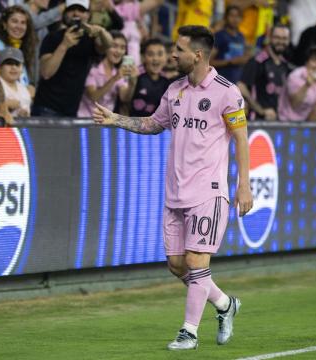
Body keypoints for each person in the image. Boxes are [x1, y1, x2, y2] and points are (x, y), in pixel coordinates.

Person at [92, 25, 253, 351]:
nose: (172, 54)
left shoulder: (227, 91)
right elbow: (153, 124)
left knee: (196, 262)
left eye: (177, 49)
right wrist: (116, 119)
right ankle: (224, 305)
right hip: (175, 193)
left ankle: (188, 333)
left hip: (208, 192)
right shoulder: (174, 89)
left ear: (197, 54)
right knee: (177, 265)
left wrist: (244, 185)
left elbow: (240, 138)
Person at [32, 0, 113, 117]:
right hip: (46, 109)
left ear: (88, 15)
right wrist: (64, 45)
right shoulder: (52, 37)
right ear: (64, 14)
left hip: (71, 112)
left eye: (81, 10)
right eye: (72, 9)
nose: (76, 14)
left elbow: (108, 44)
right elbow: (46, 73)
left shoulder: (90, 40)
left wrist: (101, 30)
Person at [237, 24, 291, 120]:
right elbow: (241, 86)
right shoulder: (257, 61)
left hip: (279, 121)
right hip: (257, 120)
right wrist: (261, 110)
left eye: (284, 38)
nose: (281, 42)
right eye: (277, 38)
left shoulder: (285, 65)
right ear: (270, 38)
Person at [77, 31, 135, 117]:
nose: (118, 51)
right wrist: (114, 79)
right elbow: (93, 97)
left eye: (122, 48)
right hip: (85, 120)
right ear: (105, 47)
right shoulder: (93, 69)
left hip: (104, 123)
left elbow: (124, 97)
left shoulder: (118, 72)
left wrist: (133, 82)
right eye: (114, 46)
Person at [0, 5, 37, 93]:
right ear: (4, 24)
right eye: (14, 21)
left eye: (23, 22)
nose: (19, 26)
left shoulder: (22, 47)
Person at [278, 45, 316, 121]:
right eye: (315, 61)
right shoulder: (295, 76)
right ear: (307, 62)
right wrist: (307, 85)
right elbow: (295, 104)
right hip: (287, 120)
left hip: (308, 120)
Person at [128, 38, 169, 116]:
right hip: (134, 125)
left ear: (166, 57)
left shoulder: (167, 81)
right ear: (143, 57)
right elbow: (124, 100)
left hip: (156, 126)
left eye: (160, 54)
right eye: (150, 54)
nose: (155, 58)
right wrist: (132, 82)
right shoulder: (135, 75)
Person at [210, 6, 251, 84]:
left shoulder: (241, 37)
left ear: (241, 19)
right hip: (220, 82)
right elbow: (209, 62)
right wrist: (230, 62)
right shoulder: (219, 36)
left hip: (236, 83)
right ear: (226, 18)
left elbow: (242, 58)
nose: (235, 19)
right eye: (232, 16)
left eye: (238, 16)